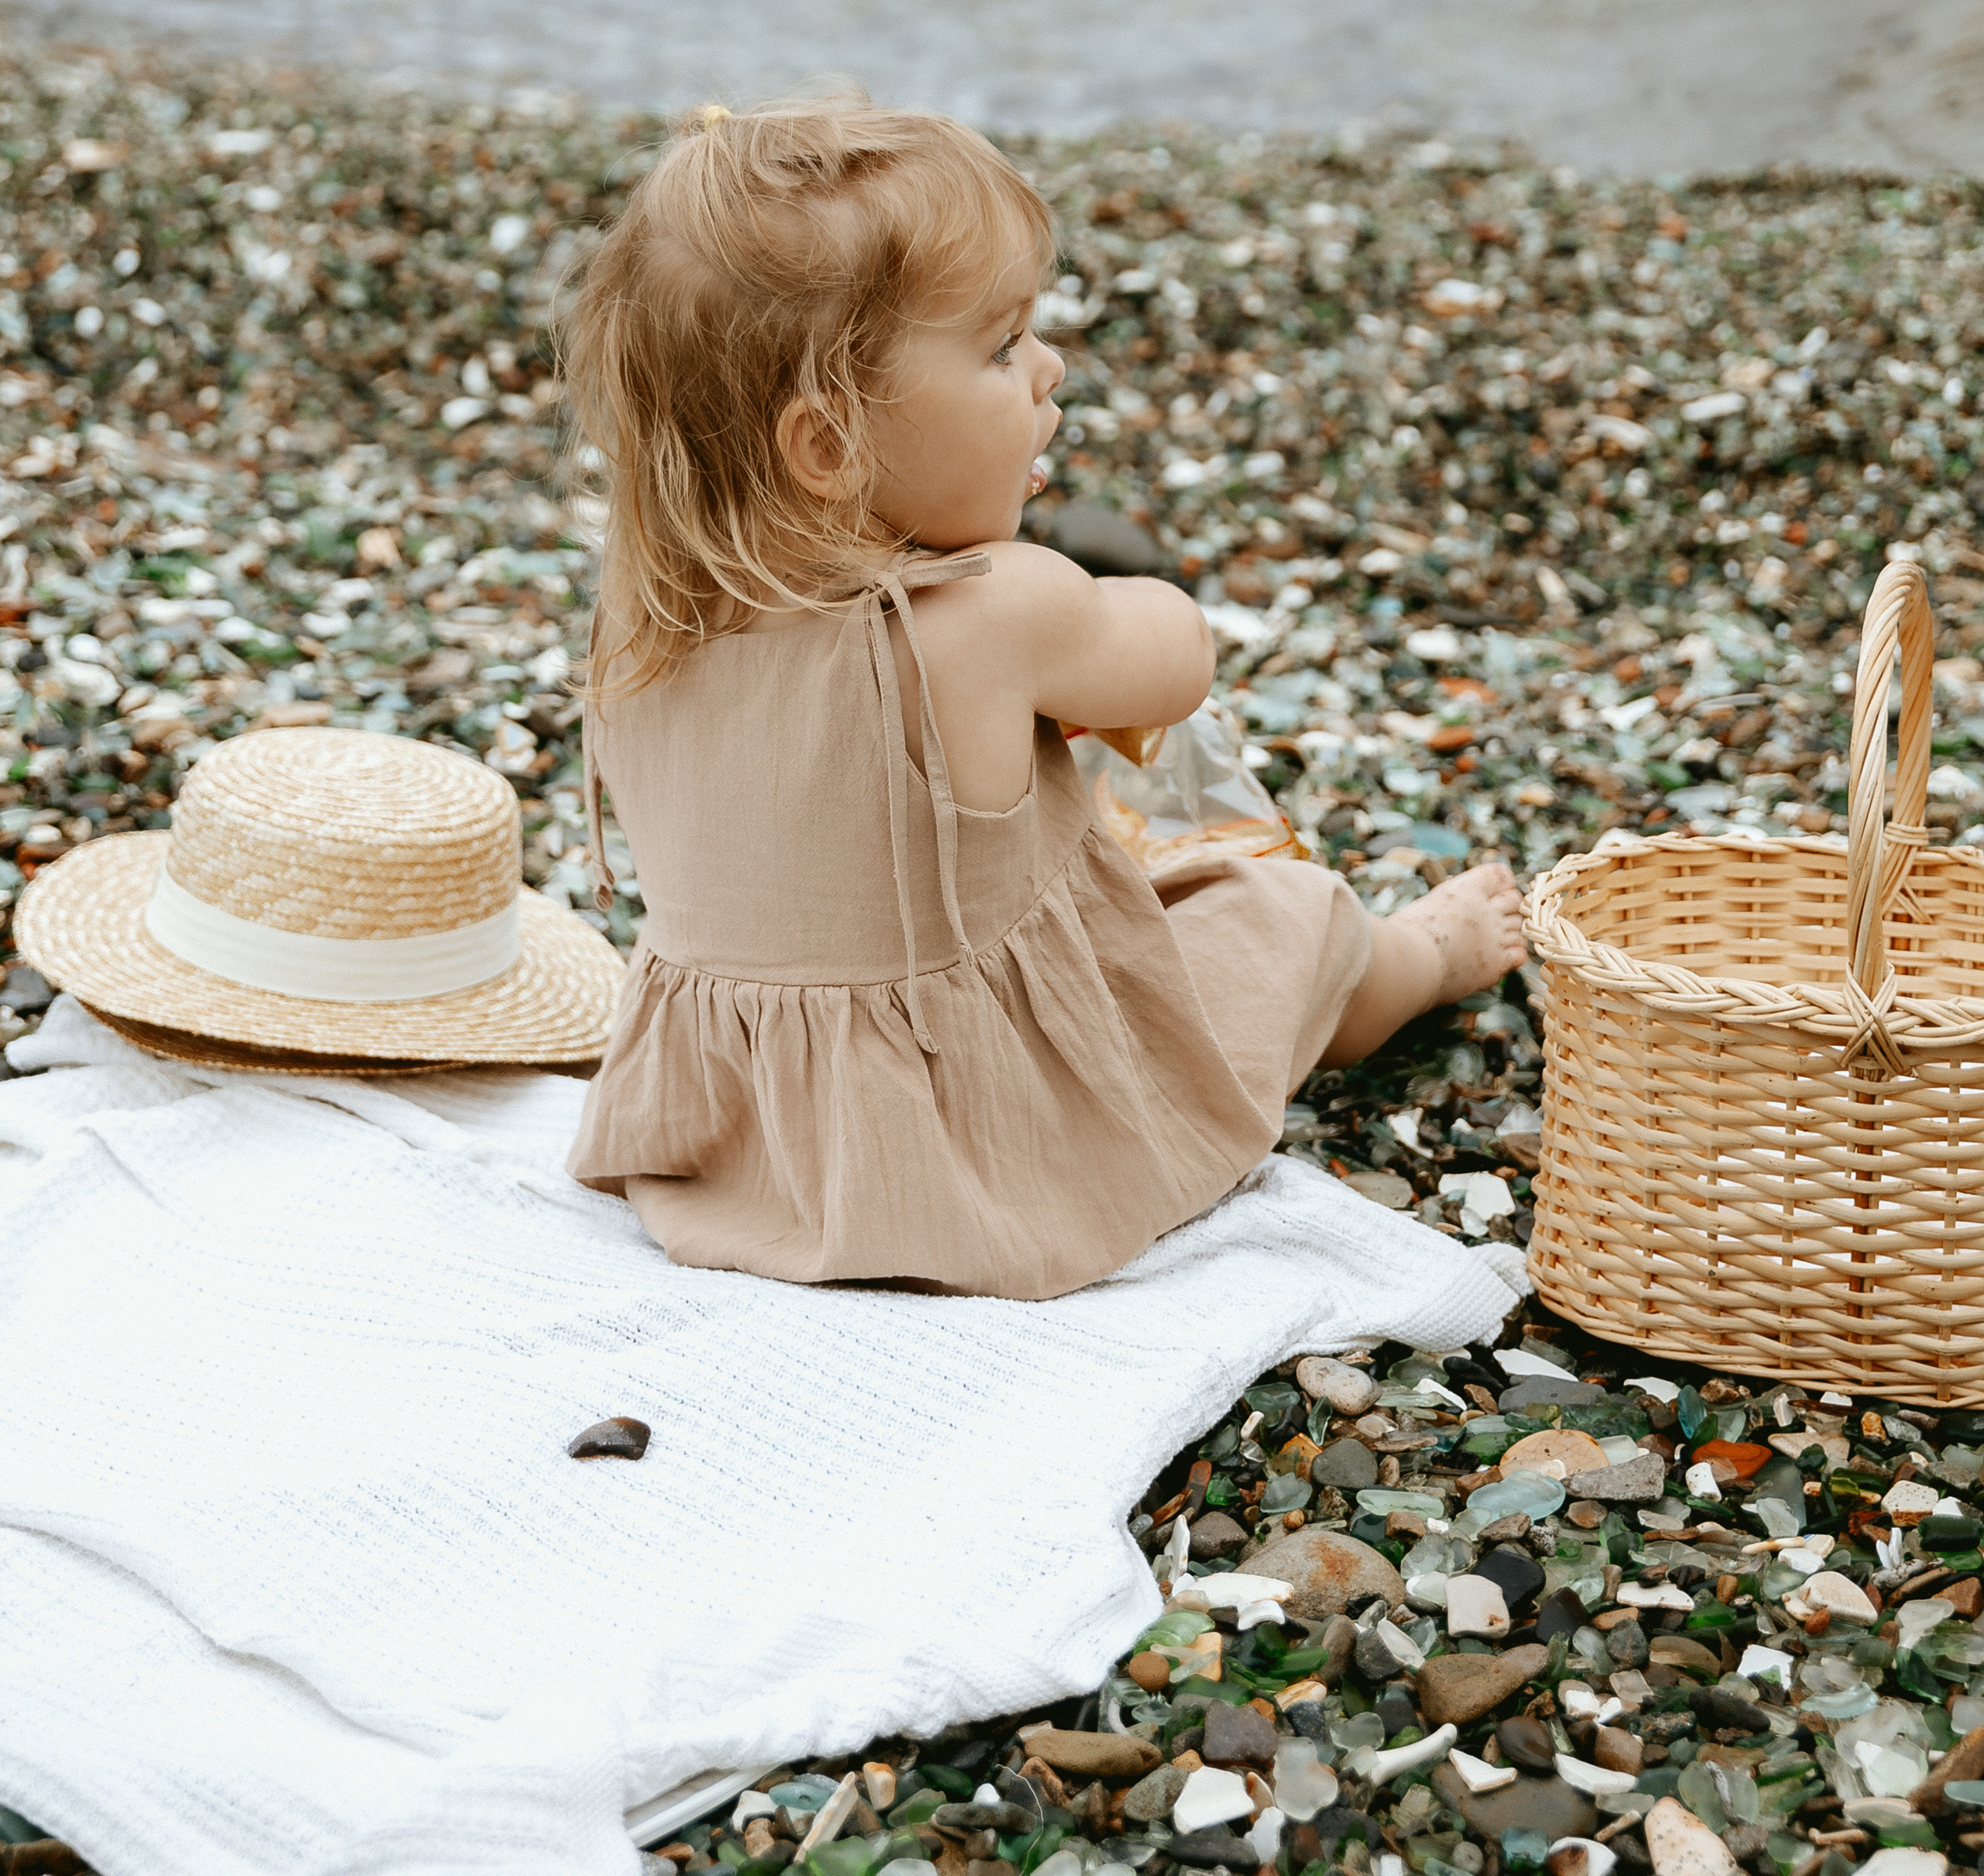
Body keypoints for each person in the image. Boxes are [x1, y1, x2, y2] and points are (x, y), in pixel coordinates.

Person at [563, 95, 1525, 1300]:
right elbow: (1178, 659)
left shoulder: (642, 632)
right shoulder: (991, 615)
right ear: (829, 448)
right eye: (1003, 345)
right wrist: (1073, 599)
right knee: (1270, 911)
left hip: (744, 1138)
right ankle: (1416, 964)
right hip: (984, 1156)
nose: (1049, 366)